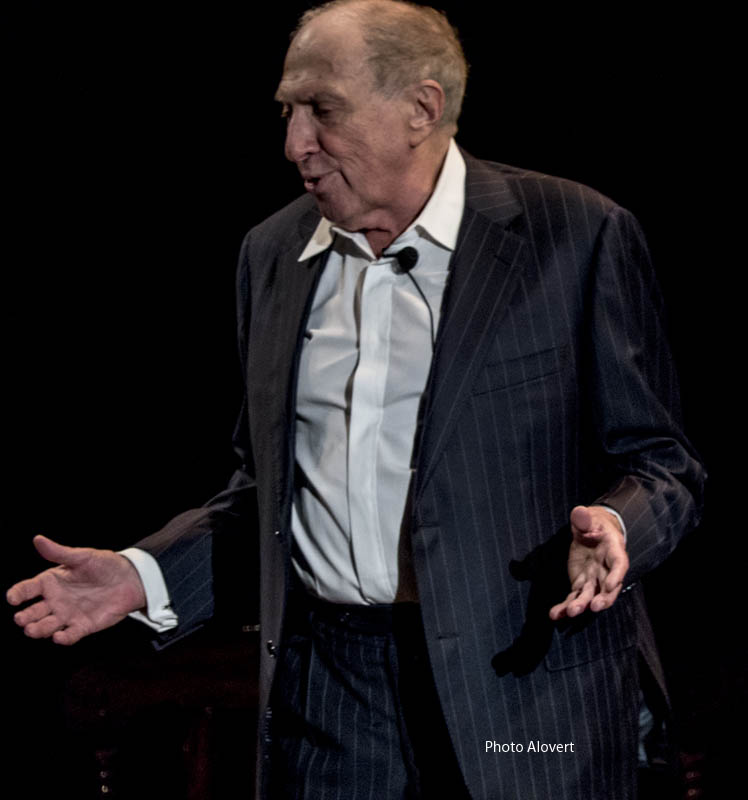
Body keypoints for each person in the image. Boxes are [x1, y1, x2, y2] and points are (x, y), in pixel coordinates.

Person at [8, 1, 705, 798]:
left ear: (422, 108)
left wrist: (617, 524)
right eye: (288, 111)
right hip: (333, 700)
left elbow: (664, 465)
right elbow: (267, 496)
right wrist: (146, 575)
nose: (295, 144)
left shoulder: (574, 234)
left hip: (526, 688)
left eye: (323, 109)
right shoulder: (272, 254)